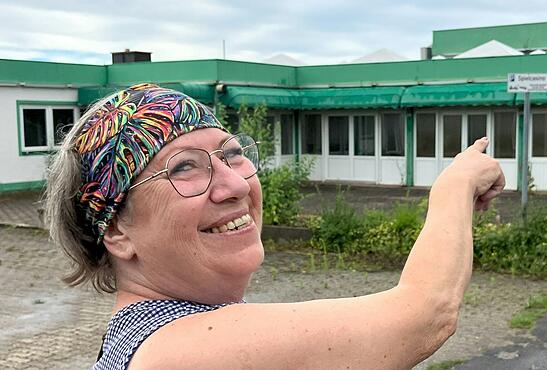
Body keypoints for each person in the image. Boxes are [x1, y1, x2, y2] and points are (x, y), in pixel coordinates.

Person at [44, 83, 505, 370]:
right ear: (117, 232)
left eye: (230, 154)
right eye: (184, 168)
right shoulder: (175, 353)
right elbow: (424, 316)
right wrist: (456, 186)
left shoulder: (161, 333)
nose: (234, 184)